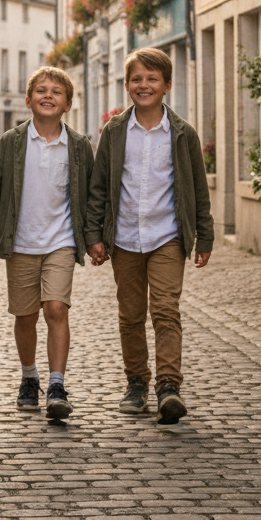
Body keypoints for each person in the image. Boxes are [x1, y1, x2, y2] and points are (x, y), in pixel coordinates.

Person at [85, 47, 213, 425]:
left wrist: (203, 238)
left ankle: (169, 386)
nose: (144, 85)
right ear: (127, 86)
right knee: (130, 314)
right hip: (124, 237)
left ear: (167, 85)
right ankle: (137, 382)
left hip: (167, 236)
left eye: (152, 79)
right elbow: (99, 187)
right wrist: (94, 234)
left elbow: (197, 190)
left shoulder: (182, 134)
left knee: (165, 309)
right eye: (137, 79)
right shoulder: (114, 131)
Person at [0, 67, 94, 420]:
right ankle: (29, 377)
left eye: (56, 91)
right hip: (22, 241)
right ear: (28, 100)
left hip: (62, 241)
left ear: (67, 103)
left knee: (55, 308)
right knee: (25, 316)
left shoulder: (79, 146)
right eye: (41, 90)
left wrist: (96, 238)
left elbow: (92, 195)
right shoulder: (12, 141)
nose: (48, 96)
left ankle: (57, 384)